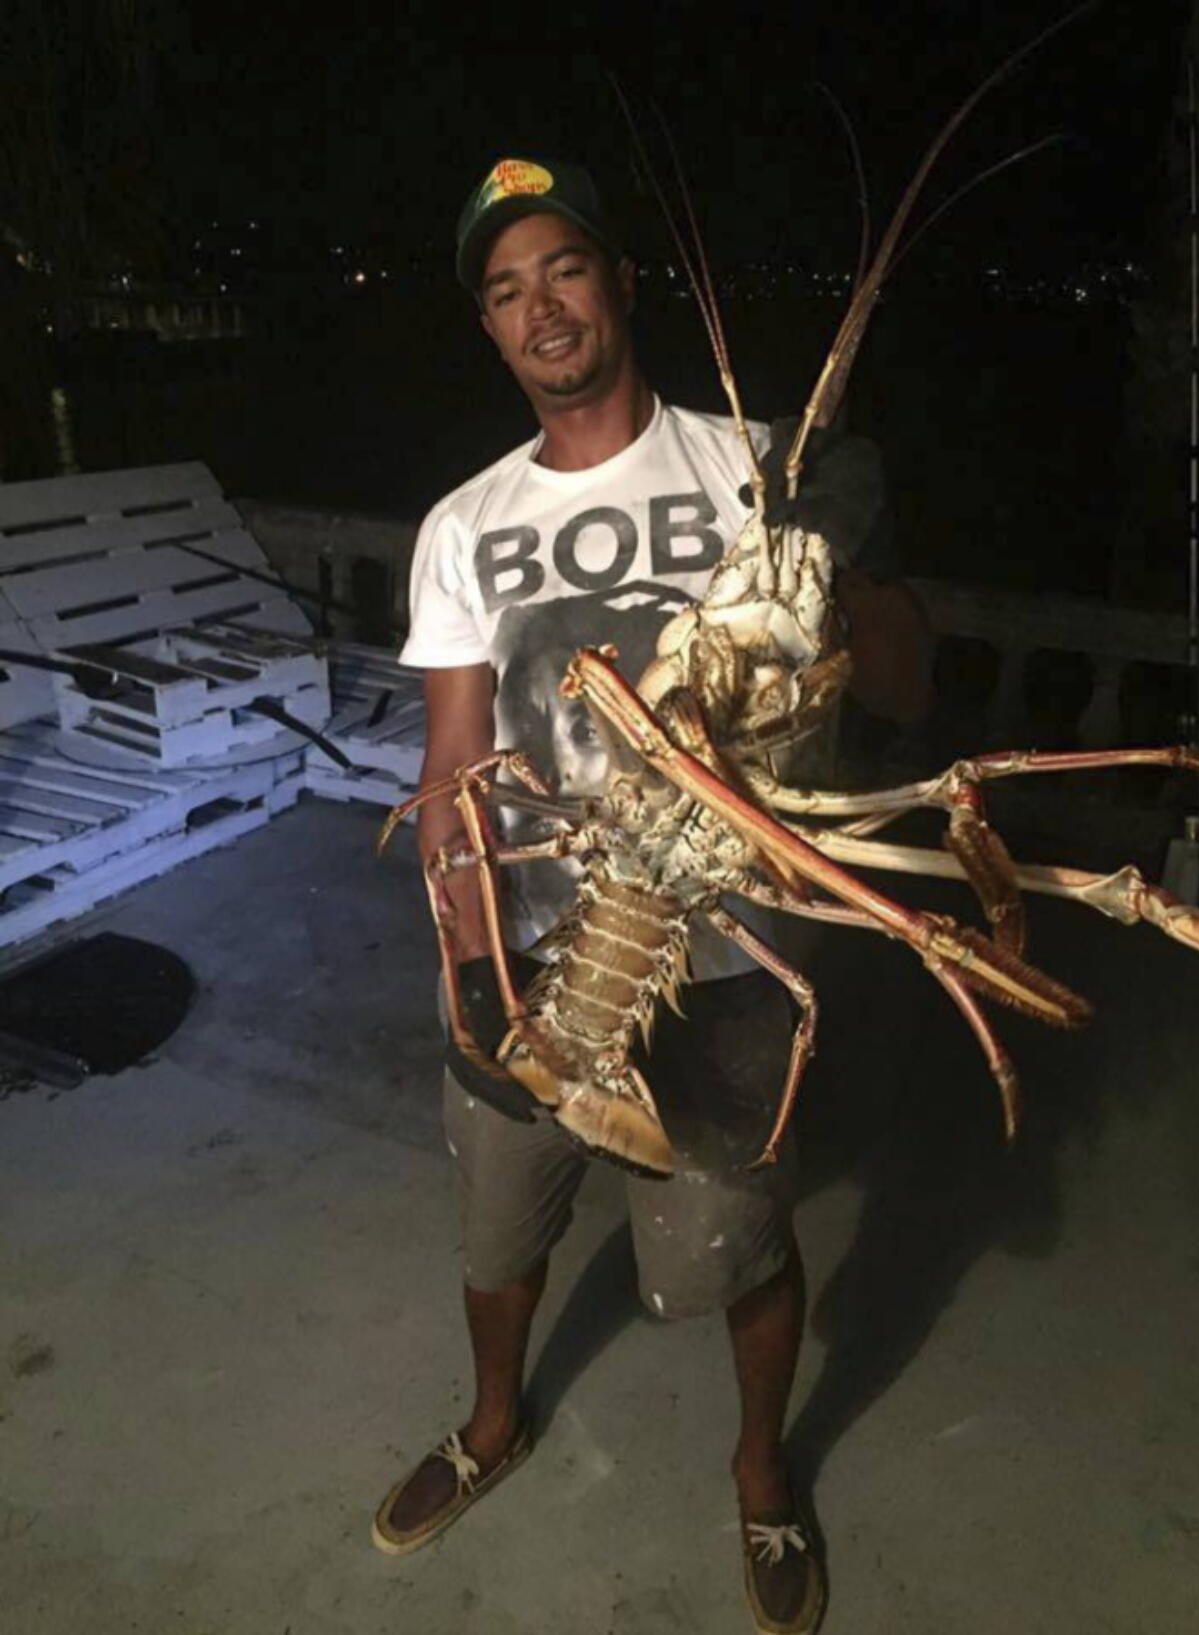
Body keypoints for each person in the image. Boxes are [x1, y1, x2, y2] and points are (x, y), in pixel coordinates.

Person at [373, 155, 931, 1635]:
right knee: (499, 1231)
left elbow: (902, 687)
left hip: (740, 960)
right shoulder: (459, 526)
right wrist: (460, 943)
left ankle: (760, 1472)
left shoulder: (755, 462)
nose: (538, 305)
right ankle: (492, 1423)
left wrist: (845, 555)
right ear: (491, 334)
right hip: (540, 948)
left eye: (561, 269)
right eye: (504, 291)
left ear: (620, 287)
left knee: (731, 1245)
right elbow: (452, 763)